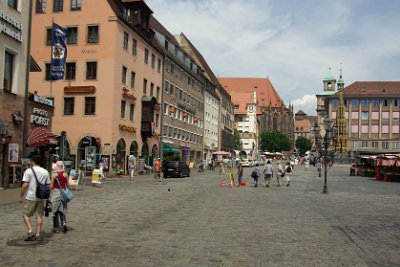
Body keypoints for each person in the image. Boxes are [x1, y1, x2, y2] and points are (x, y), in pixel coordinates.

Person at [19, 154, 51, 241]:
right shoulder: (45, 171)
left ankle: (30, 231)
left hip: (31, 197)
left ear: (33, 161)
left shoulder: (28, 171)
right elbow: (48, 186)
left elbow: (25, 185)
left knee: (26, 214)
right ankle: (38, 234)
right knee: (39, 216)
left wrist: (21, 196)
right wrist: (48, 198)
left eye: (30, 160)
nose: (29, 162)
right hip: (41, 197)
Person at [50, 161, 70, 234]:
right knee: (62, 210)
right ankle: (64, 223)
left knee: (55, 211)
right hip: (63, 194)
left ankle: (56, 228)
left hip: (56, 193)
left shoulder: (54, 175)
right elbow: (68, 185)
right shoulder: (65, 174)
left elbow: (51, 186)